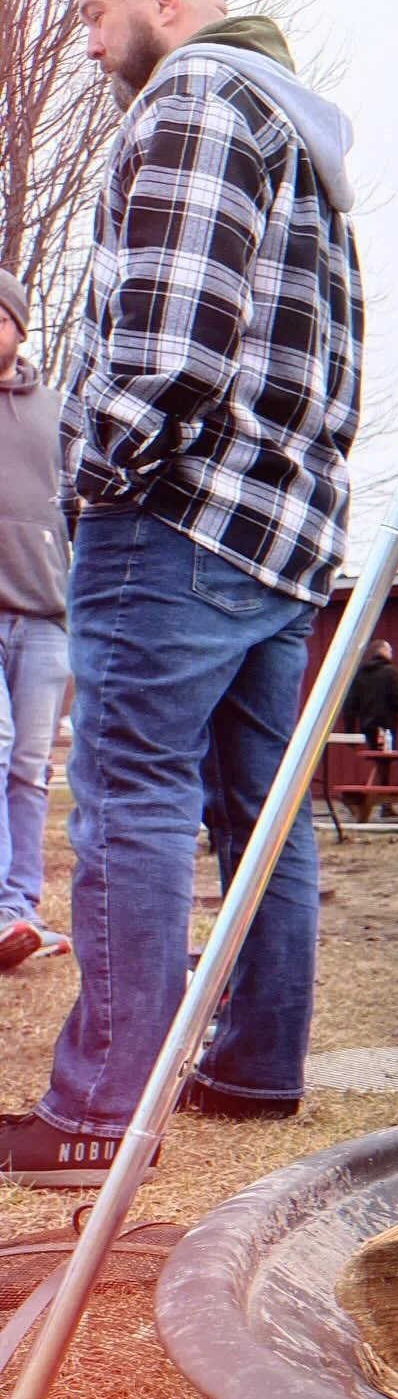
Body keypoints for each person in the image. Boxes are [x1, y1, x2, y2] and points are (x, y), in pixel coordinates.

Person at [0, 0, 363, 1183]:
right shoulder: (298, 136)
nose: (89, 43)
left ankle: (103, 1109)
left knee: (129, 795)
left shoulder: (197, 97)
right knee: (263, 814)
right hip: (280, 534)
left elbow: (168, 351)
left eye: (92, 15)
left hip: (176, 523)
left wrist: (94, 488)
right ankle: (255, 1065)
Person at [0, 270, 72, 972]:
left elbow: (83, 507)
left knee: (29, 768)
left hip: (46, 616)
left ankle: (21, 909)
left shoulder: (57, 411)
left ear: (20, 329)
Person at [342, 639, 398, 809]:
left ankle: (384, 802)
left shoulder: (361, 675)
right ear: (383, 652)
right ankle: (385, 800)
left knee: (382, 762)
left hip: (368, 726)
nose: (391, 654)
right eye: (390, 651)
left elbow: (350, 705)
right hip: (387, 726)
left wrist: (349, 731)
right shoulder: (391, 673)